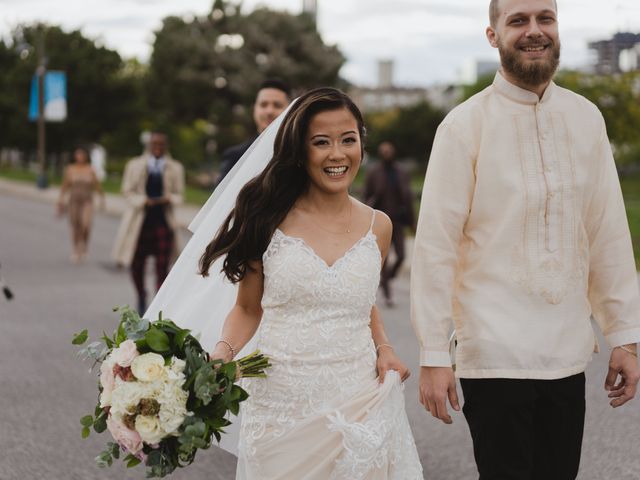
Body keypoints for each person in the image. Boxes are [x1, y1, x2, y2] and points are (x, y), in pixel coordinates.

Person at [411, 1, 640, 479]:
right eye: (518, 21)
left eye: (545, 19)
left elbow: (607, 235)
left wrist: (624, 337)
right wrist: (434, 354)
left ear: (558, 28)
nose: (534, 31)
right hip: (493, 355)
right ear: (492, 36)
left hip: (566, 354)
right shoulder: (463, 126)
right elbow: (436, 249)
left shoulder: (587, 119)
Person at [159, 87, 419, 478]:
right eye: (321, 143)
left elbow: (360, 302)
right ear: (299, 152)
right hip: (281, 406)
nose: (337, 154)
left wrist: (385, 348)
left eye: (348, 140)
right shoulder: (264, 221)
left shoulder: (378, 226)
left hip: (360, 400)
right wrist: (223, 353)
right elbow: (247, 308)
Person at [111, 132, 185, 314]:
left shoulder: (175, 168)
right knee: (136, 264)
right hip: (139, 223)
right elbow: (127, 192)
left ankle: (157, 304)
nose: (158, 148)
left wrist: (169, 198)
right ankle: (141, 295)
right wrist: (143, 200)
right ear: (149, 145)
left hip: (163, 223)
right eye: (154, 144)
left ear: (166, 146)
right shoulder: (134, 165)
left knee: (163, 267)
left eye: (161, 144)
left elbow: (179, 194)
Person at [363, 141, 415, 306]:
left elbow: (408, 197)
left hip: (398, 220)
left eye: (389, 151)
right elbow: (366, 195)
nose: (386, 154)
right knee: (382, 260)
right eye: (383, 152)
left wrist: (412, 221)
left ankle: (388, 278)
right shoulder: (374, 172)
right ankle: (387, 294)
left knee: (401, 256)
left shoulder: (401, 172)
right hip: (380, 221)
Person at [217, 79, 291, 183]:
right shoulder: (235, 157)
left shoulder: (302, 156)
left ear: (290, 111)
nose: (269, 111)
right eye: (263, 105)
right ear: (254, 109)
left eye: (277, 105)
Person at [57, 146, 105, 263]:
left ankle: (84, 246)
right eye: (78, 155)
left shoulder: (90, 169)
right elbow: (65, 185)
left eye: (82, 155)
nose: (80, 157)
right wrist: (60, 200)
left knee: (86, 225)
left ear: (85, 156)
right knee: (75, 225)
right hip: (74, 201)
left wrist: (102, 199)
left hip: (87, 201)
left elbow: (97, 185)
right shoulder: (70, 169)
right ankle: (76, 250)